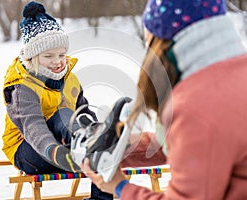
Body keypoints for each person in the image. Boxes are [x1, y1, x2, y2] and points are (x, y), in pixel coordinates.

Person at [81, 0, 247, 199]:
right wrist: (126, 148)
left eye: (148, 41)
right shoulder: (234, 77)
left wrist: (120, 188)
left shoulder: (194, 107)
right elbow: (201, 145)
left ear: (162, 40)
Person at [1, 1, 113, 199]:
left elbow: (83, 111)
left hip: (65, 143)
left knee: (80, 128)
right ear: (32, 57)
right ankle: (84, 147)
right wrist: (56, 151)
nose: (58, 61)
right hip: (27, 148)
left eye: (61, 54)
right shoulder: (22, 86)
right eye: (49, 55)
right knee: (62, 114)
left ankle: (90, 147)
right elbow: (33, 127)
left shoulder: (69, 78)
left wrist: (94, 128)